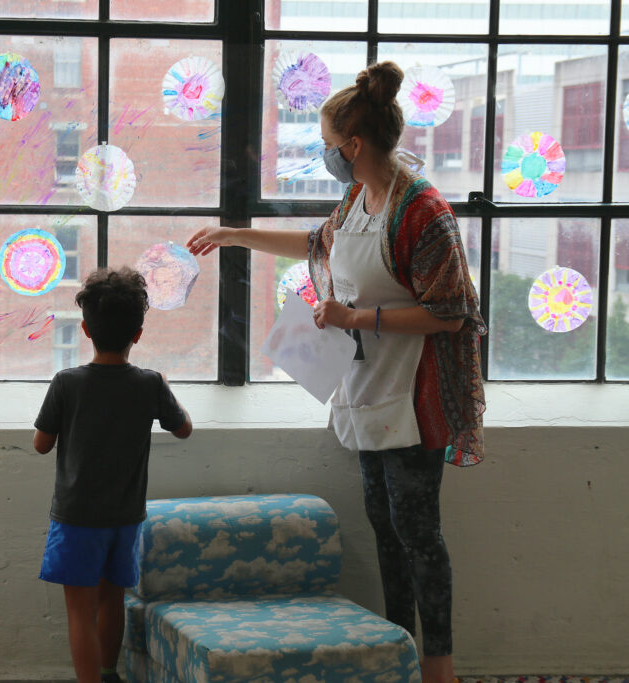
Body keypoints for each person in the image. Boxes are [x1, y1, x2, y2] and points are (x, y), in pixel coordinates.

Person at [186, 61, 485, 683]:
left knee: (419, 536)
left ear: (353, 146)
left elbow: (451, 314)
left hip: (412, 397)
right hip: (367, 391)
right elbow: (315, 247)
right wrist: (234, 235)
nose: (324, 155)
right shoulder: (357, 198)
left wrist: (355, 315)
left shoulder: (423, 212)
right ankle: (399, 645)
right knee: (385, 527)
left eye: (326, 146)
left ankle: (440, 664)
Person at [33, 267, 193, 683]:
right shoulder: (149, 383)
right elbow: (183, 428)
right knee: (112, 602)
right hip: (125, 517)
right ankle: (107, 673)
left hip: (77, 517)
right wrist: (165, 388)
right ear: (137, 333)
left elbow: (41, 443)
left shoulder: (66, 382)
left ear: (85, 329)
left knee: (79, 612)